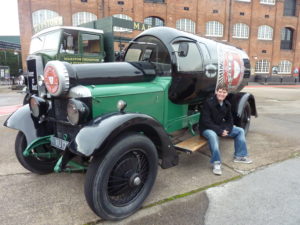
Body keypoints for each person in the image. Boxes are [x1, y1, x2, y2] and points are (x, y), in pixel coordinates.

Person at [199, 84, 252, 175]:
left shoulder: (227, 104)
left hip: (220, 127)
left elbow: (230, 120)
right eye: (220, 92)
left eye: (224, 92)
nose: (222, 94)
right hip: (207, 128)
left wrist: (227, 129)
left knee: (240, 131)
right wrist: (220, 131)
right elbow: (206, 121)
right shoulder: (209, 103)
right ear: (216, 92)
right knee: (213, 136)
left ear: (226, 94)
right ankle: (216, 163)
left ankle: (239, 156)